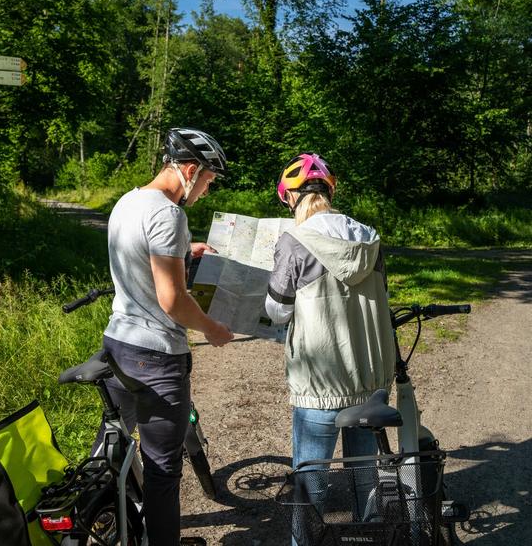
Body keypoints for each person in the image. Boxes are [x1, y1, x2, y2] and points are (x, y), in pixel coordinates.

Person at [94, 128, 234, 546]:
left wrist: (184, 253)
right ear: (190, 170)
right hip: (156, 359)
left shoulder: (128, 201)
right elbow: (172, 300)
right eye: (208, 180)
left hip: (118, 344)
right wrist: (212, 329)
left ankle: (96, 518)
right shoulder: (169, 215)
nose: (206, 190)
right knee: (161, 469)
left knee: (110, 446)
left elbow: (140, 254)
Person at [265, 153, 395, 536]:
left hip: (320, 385)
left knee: (311, 486)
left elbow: (276, 311)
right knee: (365, 477)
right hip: (370, 380)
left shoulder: (294, 241)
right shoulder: (369, 239)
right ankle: (370, 537)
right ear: (329, 191)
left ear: (291, 198)